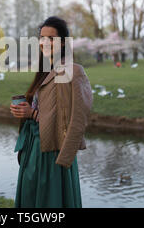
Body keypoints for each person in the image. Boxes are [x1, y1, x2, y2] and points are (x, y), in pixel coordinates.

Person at [10, 16, 93, 208]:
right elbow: (49, 109)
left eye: (50, 38)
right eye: (41, 38)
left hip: (53, 153)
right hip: (35, 149)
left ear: (63, 43)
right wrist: (26, 110)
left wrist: (65, 159)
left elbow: (77, 119)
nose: (44, 43)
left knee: (51, 203)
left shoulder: (73, 71)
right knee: (32, 200)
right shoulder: (46, 70)